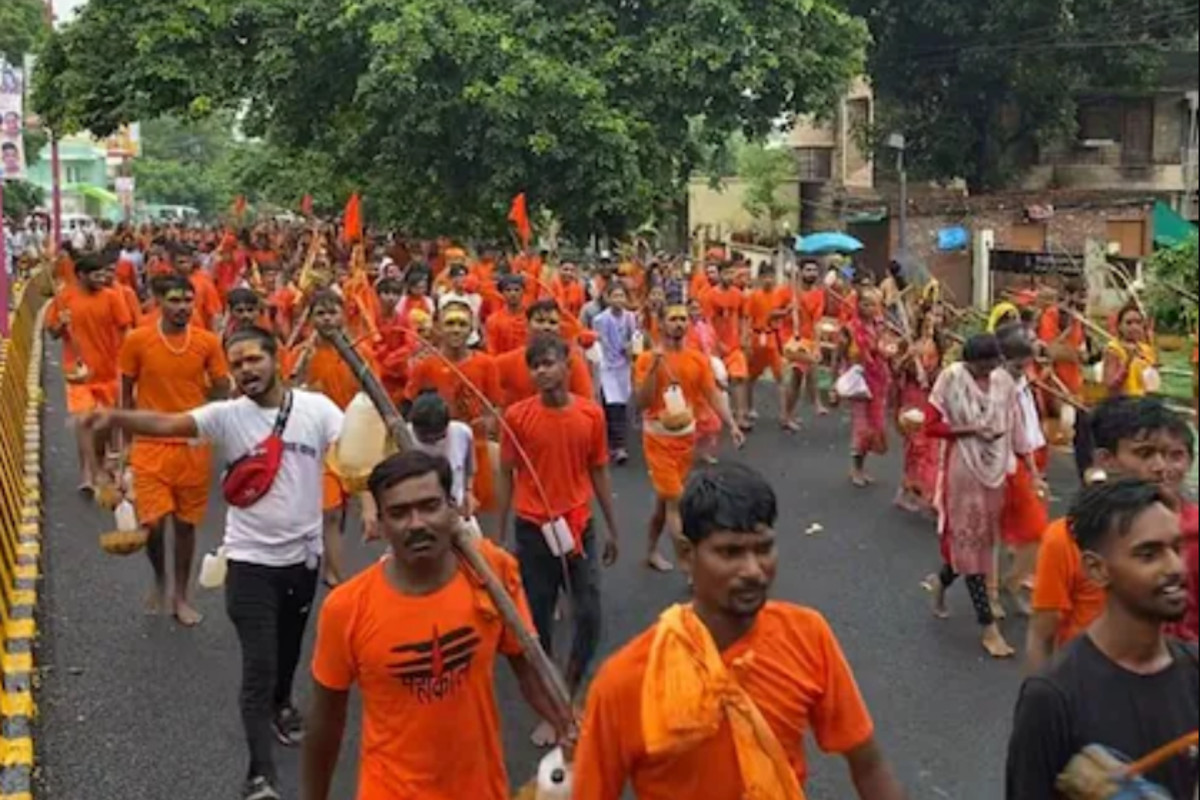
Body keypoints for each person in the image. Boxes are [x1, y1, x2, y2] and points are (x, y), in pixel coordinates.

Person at [81, 326, 343, 800]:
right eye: (236, 363)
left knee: (289, 651)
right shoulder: (226, 416)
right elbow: (169, 424)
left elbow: (357, 453)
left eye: (253, 360)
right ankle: (260, 774)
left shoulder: (319, 411)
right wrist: (114, 417)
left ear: (276, 358)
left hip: (303, 561)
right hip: (249, 563)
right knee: (258, 665)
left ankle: (283, 702)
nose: (245, 370)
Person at [573, 462, 908, 800]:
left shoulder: (807, 634)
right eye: (730, 552)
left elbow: (868, 764)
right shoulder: (622, 683)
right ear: (687, 556)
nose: (752, 570)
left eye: (763, 549)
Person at [301, 451, 572, 800]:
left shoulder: (491, 573)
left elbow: (529, 667)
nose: (416, 523)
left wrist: (569, 724)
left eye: (429, 506)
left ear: (454, 509)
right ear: (380, 523)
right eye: (399, 513)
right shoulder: (346, 608)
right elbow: (325, 722)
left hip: (482, 789)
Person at [1006, 479, 1197, 800]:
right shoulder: (1053, 697)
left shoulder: (1193, 672)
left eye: (1176, 549)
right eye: (1149, 555)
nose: (1175, 567)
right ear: (1096, 570)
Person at [496, 333, 619, 745]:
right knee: (538, 620)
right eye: (535, 366)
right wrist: (497, 535)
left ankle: (568, 691)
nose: (542, 371)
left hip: (579, 525)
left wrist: (613, 528)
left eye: (549, 363)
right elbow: (507, 473)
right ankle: (553, 706)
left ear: (568, 366)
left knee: (589, 614)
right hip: (533, 529)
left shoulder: (591, 416)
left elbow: (599, 470)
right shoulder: (516, 417)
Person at [1025, 396, 1178, 673]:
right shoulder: (1066, 537)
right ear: (1106, 460)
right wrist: (1038, 704)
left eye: (1167, 454)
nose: (1160, 466)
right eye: (1145, 453)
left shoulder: (1179, 529)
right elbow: (1042, 634)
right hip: (1090, 685)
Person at [116, 274, 231, 626]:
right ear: (157, 300)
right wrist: (121, 447)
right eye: (174, 300)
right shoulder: (138, 340)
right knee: (152, 524)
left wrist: (202, 414)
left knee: (185, 526)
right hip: (150, 444)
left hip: (192, 446)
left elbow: (222, 387)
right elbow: (125, 392)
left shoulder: (208, 342)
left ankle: (181, 595)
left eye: (187, 301)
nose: (182, 308)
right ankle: (161, 577)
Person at [925, 334, 1026, 658]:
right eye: (983, 365)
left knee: (980, 544)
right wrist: (971, 430)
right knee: (971, 545)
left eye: (994, 363)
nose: (989, 370)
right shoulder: (951, 378)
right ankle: (988, 629)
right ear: (970, 362)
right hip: (964, 468)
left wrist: (1027, 467)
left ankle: (942, 581)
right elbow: (931, 426)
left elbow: (1015, 423)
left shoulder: (1003, 382)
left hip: (995, 469)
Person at [635, 302, 744, 572]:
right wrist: (653, 369)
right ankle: (690, 567)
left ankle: (650, 552)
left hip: (685, 440)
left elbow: (712, 394)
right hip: (657, 439)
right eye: (673, 319)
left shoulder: (697, 359)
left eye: (683, 319)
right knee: (677, 501)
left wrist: (732, 424)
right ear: (661, 324)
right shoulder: (647, 359)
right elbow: (642, 402)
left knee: (663, 504)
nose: (679, 324)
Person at [45, 253, 135, 491]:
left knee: (103, 425)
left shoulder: (113, 297)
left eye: (104, 273)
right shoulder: (64, 298)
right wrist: (60, 324)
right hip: (77, 372)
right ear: (81, 276)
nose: (102, 278)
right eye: (96, 274)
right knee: (84, 420)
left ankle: (101, 460)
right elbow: (52, 333)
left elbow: (125, 329)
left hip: (107, 370)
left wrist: (129, 362)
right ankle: (89, 473)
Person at [996, 326, 1050, 616]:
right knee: (1036, 529)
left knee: (1017, 530)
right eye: (1018, 365)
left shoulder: (1022, 381)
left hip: (1027, 457)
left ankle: (1010, 582)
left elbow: (1025, 428)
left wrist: (1034, 467)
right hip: (1007, 465)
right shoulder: (997, 387)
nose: (1022, 370)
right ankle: (1010, 584)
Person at [494, 299, 593, 406]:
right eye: (540, 321)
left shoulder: (572, 361)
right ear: (527, 325)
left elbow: (586, 403)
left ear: (559, 328)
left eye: (552, 322)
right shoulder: (506, 363)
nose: (546, 327)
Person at [894, 304, 943, 513]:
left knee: (932, 449)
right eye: (933, 316)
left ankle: (929, 494)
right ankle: (910, 491)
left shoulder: (941, 345)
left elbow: (940, 375)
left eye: (940, 316)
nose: (936, 320)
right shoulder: (909, 344)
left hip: (931, 400)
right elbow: (896, 370)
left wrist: (932, 376)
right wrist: (908, 359)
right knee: (915, 448)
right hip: (912, 399)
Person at [846, 288, 892, 487]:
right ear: (858, 305)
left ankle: (862, 466)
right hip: (859, 381)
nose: (870, 308)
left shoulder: (880, 326)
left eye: (874, 304)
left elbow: (889, 349)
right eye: (866, 304)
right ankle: (855, 468)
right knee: (861, 427)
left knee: (876, 426)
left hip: (878, 379)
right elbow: (842, 355)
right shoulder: (850, 328)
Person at [408, 391, 476, 519]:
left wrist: (468, 491)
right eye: (425, 438)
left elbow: (470, 469)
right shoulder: (403, 437)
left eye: (438, 437)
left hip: (456, 510)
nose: (432, 441)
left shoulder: (462, 433)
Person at [782, 258, 831, 428]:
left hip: (808, 339)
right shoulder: (788, 292)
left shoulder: (818, 295)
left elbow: (817, 322)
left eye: (814, 270)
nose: (812, 273)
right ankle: (815, 402)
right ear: (800, 272)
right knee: (803, 371)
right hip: (791, 338)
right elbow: (772, 316)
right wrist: (787, 310)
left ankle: (788, 416)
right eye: (808, 270)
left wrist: (817, 345)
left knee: (798, 377)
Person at [702, 261, 751, 430]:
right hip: (715, 348)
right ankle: (713, 416)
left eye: (732, 273)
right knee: (715, 382)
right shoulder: (709, 296)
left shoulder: (739, 295)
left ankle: (740, 417)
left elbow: (744, 317)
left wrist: (744, 336)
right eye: (727, 273)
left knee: (739, 378)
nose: (730, 277)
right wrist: (716, 343)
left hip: (734, 346)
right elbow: (706, 323)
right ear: (720, 274)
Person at [593, 284, 638, 464]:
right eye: (615, 296)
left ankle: (616, 443)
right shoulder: (600, 319)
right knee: (613, 405)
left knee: (622, 404)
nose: (618, 300)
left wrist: (631, 348)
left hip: (624, 365)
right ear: (607, 298)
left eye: (621, 296)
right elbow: (598, 342)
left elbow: (635, 337)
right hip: (606, 365)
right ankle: (617, 446)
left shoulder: (630, 317)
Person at [744, 262, 790, 429]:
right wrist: (746, 340)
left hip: (772, 339)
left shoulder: (779, 295)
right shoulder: (754, 296)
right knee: (751, 377)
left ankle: (785, 416)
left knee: (781, 377)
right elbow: (748, 319)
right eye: (765, 277)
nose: (769, 280)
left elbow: (786, 307)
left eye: (771, 277)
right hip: (757, 338)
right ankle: (748, 408)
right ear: (760, 278)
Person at [1103, 301, 1160, 399]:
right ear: (1120, 326)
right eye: (1129, 323)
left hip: (1143, 404)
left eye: (1138, 322)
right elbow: (1110, 386)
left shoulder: (1146, 350)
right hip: (1122, 406)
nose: (1134, 327)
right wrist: (1127, 363)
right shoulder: (1113, 349)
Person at [485, 274, 528, 355]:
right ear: (502, 293)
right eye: (508, 290)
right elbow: (492, 350)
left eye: (517, 290)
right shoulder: (493, 320)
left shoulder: (531, 317)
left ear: (523, 291)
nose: (513, 294)